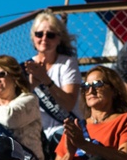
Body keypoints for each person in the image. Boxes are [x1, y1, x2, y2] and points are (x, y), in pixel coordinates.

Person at [23, 9, 82, 144]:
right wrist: (31, 86)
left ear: (59, 39)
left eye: (50, 35)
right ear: (33, 37)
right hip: (39, 136)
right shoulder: (25, 68)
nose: (44, 39)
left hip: (66, 131)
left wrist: (46, 80)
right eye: (39, 34)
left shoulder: (67, 63)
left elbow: (68, 105)